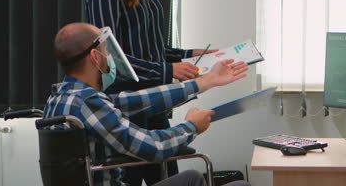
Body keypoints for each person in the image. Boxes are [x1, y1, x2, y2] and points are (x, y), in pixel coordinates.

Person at [85, 0, 218, 183]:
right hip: (125, 112)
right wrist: (168, 70)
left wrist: (190, 54)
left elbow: (154, 49)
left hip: (154, 107)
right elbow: (111, 57)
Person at [43, 22, 250, 186]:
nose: (110, 58)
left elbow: (140, 100)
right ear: (95, 57)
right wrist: (191, 127)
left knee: (192, 178)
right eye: (106, 51)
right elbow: (153, 147)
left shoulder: (60, 98)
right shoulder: (88, 103)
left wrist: (203, 82)